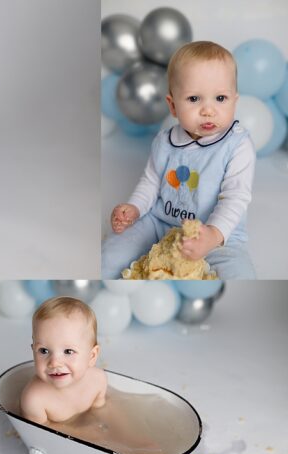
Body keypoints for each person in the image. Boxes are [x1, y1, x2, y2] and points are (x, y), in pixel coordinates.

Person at [102, 40, 254, 279]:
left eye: (220, 98)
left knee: (240, 275)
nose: (208, 110)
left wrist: (213, 235)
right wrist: (134, 208)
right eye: (194, 99)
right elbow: (150, 182)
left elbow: (235, 197)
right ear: (172, 106)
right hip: (160, 224)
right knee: (111, 256)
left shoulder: (237, 145)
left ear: (235, 100)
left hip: (217, 234)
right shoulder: (165, 141)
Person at [20, 298, 106, 426]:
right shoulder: (34, 400)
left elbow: (101, 415)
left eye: (68, 352)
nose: (54, 363)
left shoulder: (98, 380)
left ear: (91, 356)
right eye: (43, 351)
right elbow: (42, 437)